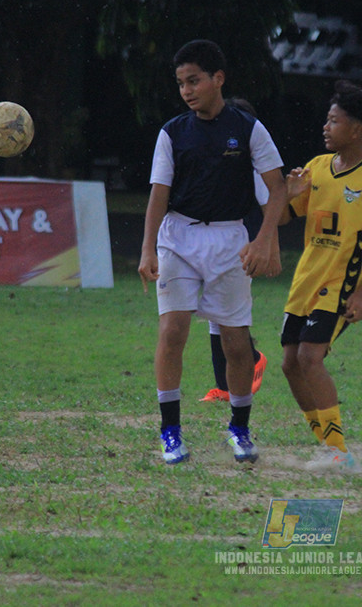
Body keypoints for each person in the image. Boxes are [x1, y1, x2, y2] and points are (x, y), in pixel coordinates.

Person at [139, 40, 287, 465]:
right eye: (181, 83)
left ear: (218, 79)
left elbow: (278, 189)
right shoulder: (172, 133)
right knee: (173, 331)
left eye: (194, 81)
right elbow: (158, 195)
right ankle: (170, 432)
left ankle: (239, 429)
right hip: (178, 238)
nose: (186, 90)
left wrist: (263, 240)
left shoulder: (249, 129)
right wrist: (148, 249)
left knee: (236, 344)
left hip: (229, 242)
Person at [279, 80, 362, 473]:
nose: (325, 127)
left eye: (334, 121)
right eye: (327, 120)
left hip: (338, 287)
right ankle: (327, 445)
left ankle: (338, 451)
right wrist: (286, 194)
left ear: (356, 130)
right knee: (289, 364)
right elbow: (281, 218)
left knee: (309, 358)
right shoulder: (315, 167)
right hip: (304, 282)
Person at [200, 98, 268, 403]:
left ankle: (248, 362)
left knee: (226, 314)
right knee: (215, 314)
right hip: (216, 244)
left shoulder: (255, 165)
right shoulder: (221, 160)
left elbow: (269, 207)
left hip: (242, 245)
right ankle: (224, 386)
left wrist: (261, 244)